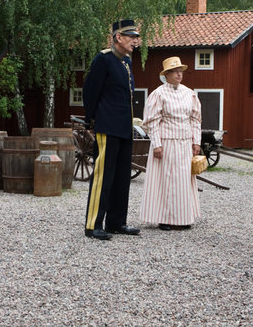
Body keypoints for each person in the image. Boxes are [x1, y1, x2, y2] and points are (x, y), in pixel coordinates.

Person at [82, 19, 142, 240]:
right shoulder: (103, 60)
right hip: (107, 126)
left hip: (124, 127)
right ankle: (93, 225)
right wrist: (91, 120)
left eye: (136, 37)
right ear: (118, 37)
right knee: (103, 176)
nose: (135, 41)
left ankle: (117, 222)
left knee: (121, 177)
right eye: (131, 37)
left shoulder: (125, 62)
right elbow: (90, 91)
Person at [140, 56, 202, 230]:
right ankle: (165, 217)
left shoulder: (189, 93)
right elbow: (152, 121)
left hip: (184, 142)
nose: (178, 74)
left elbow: (195, 119)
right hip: (166, 142)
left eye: (180, 71)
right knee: (167, 180)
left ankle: (184, 217)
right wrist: (157, 143)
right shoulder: (158, 94)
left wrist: (196, 141)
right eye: (174, 71)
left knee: (184, 180)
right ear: (166, 74)